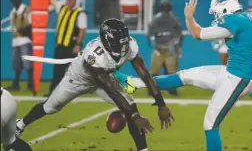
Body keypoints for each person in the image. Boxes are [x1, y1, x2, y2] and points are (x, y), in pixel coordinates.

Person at [114, 0, 252, 151]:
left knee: (210, 124)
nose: (217, 16)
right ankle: (132, 83)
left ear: (225, 8)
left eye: (217, 11)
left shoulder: (233, 21)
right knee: (185, 76)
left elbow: (197, 34)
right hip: (230, 72)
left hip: (238, 78)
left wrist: (189, 16)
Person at [16, 18, 174, 151]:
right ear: (106, 43)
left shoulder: (130, 46)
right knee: (50, 107)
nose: (122, 46)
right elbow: (111, 89)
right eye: (117, 43)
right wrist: (135, 117)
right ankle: (21, 124)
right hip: (79, 79)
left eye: (123, 41)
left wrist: (160, 103)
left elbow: (145, 74)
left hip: (104, 78)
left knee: (131, 107)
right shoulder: (94, 56)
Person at [44, 0, 87, 97]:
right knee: (57, 70)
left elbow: (82, 30)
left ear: (75, 1)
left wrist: (78, 44)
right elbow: (53, 1)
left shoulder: (79, 13)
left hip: (72, 46)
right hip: (60, 46)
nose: (70, 1)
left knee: (76, 70)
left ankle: (78, 89)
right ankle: (53, 92)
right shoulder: (62, 8)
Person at [147, 0, 183, 96]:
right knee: (158, 72)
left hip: (163, 49)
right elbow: (180, 35)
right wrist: (177, 46)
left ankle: (158, 90)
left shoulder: (162, 19)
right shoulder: (172, 19)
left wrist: (155, 44)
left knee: (167, 72)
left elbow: (149, 34)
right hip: (164, 49)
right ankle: (156, 90)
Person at [7, 0, 33, 91]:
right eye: (13, 0)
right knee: (16, 64)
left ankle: (31, 84)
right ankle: (16, 84)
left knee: (28, 64)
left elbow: (31, 25)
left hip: (25, 40)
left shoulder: (27, 10)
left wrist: (25, 31)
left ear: (20, 0)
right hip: (15, 41)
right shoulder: (12, 12)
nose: (14, 2)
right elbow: (13, 27)